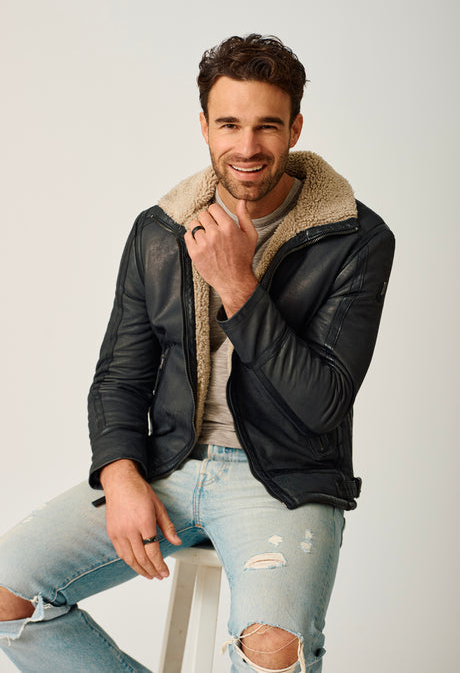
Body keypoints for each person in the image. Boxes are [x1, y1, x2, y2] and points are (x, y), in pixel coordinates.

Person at [0, 34, 394, 672]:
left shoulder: (355, 238)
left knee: (274, 651)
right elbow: (120, 377)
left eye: (267, 126)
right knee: (7, 592)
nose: (247, 146)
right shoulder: (159, 230)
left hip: (286, 479)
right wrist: (120, 473)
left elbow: (322, 405)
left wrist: (238, 284)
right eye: (230, 124)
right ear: (205, 127)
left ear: (295, 129)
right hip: (169, 465)